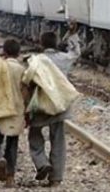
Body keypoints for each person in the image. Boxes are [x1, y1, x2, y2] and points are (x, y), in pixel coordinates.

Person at [23, 31, 76, 187]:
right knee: (58, 139)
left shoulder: (35, 61)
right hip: (59, 105)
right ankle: (56, 178)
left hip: (39, 105)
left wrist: (25, 109)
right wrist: (73, 35)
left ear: (41, 43)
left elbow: (27, 82)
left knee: (34, 136)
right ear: (56, 43)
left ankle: (41, 163)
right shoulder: (64, 59)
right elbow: (76, 53)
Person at [0, 39, 25, 188]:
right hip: (16, 111)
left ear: (5, 52)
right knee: (12, 143)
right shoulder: (22, 70)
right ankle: (10, 178)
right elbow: (25, 92)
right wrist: (26, 112)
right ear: (18, 53)